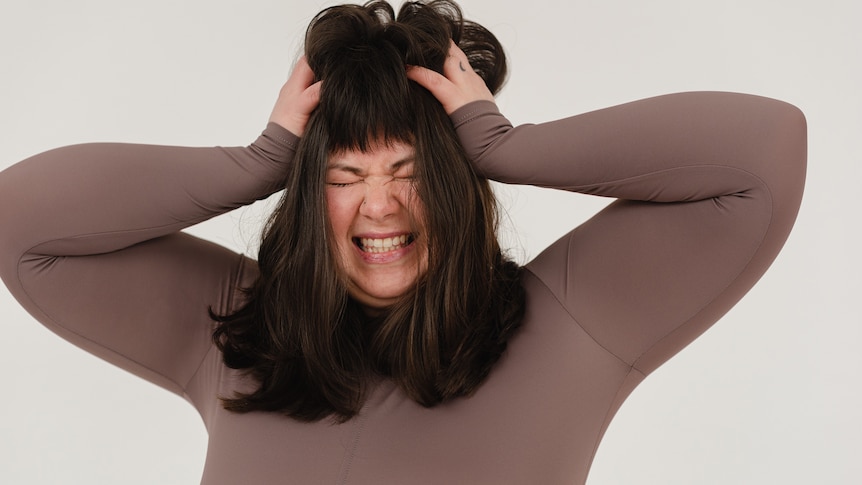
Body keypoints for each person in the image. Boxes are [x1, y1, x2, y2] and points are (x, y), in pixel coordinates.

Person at [0, 0, 806, 483]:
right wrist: (257, 163)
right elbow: (22, 221)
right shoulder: (237, 332)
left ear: (457, 185)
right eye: (344, 176)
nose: (379, 205)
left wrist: (505, 144)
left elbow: (763, 153)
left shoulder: (569, 323)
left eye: (411, 169)